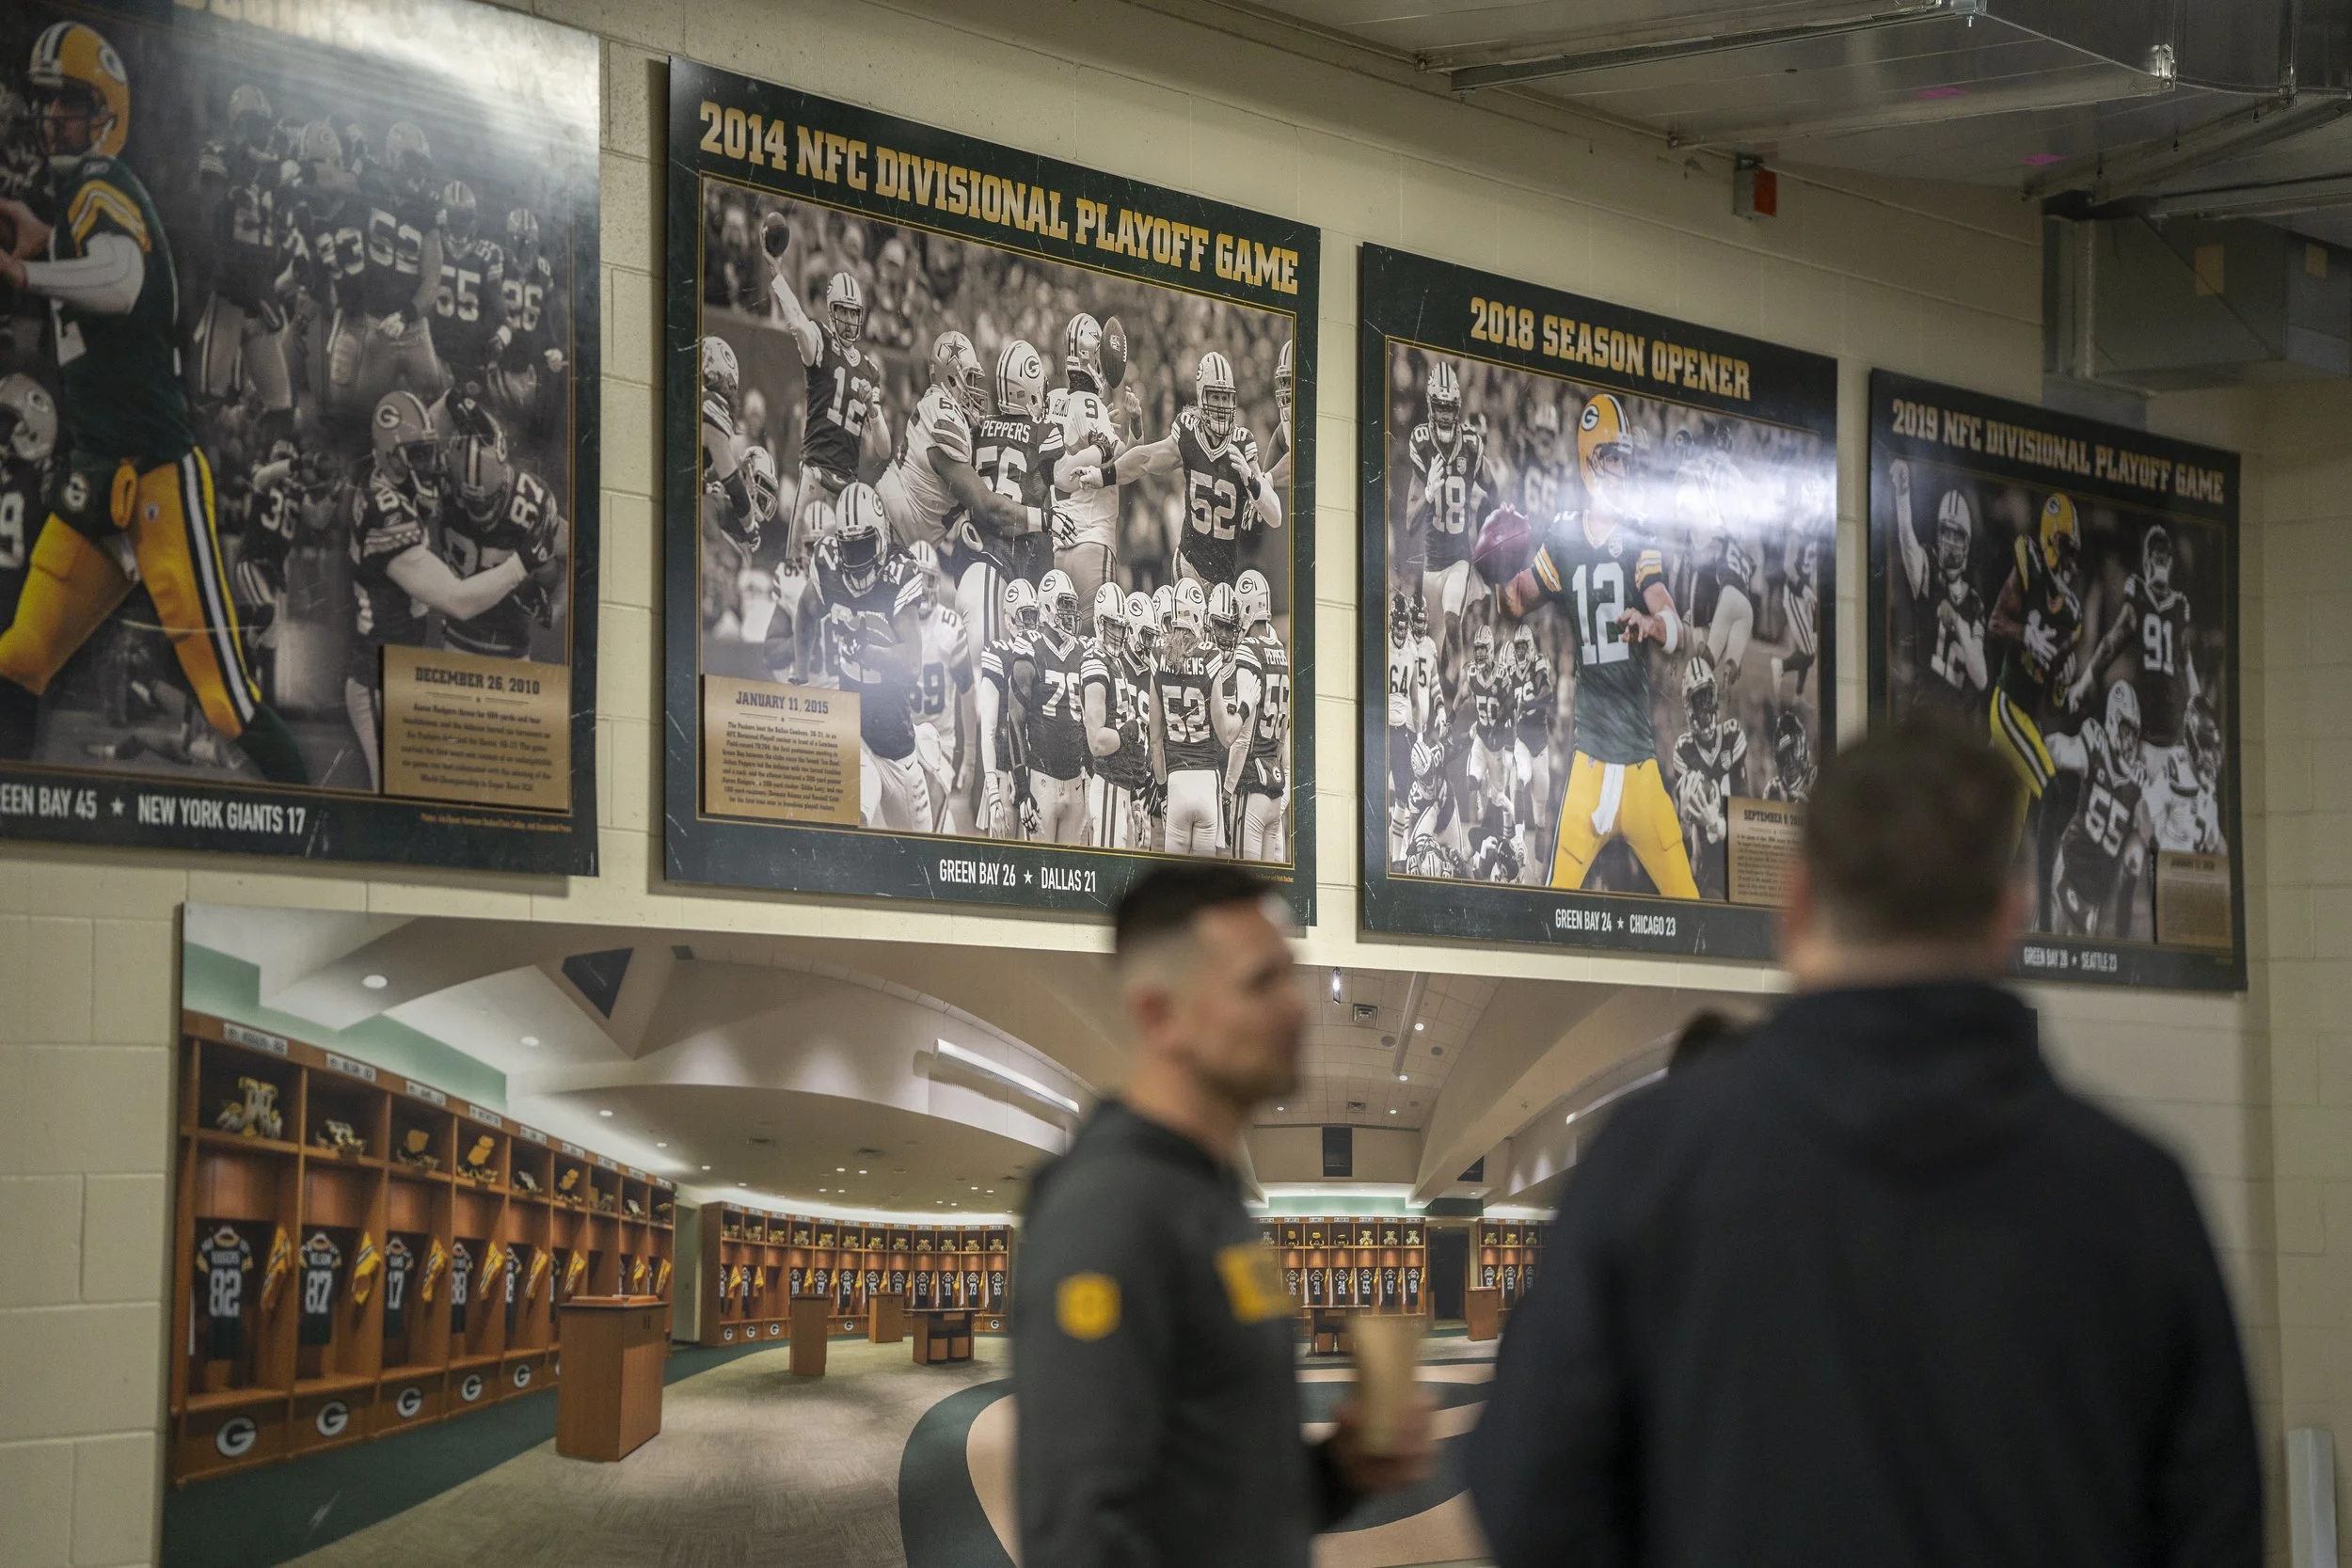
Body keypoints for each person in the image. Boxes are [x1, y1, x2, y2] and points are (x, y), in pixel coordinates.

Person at [1469, 721, 2260, 1568]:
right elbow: (2216, 1531)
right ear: (2008, 917)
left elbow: (1529, 1500)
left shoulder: (1651, 1167)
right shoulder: (2139, 1196)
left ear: (1798, 903)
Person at [1015, 864, 1432, 1567]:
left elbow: (1222, 1489)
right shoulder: (1112, 1211)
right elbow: (1081, 1538)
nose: (1296, 1007)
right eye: (1260, 982)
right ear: (1158, 1014)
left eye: (1288, 976)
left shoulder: (1207, 1198)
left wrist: (1340, 1469)